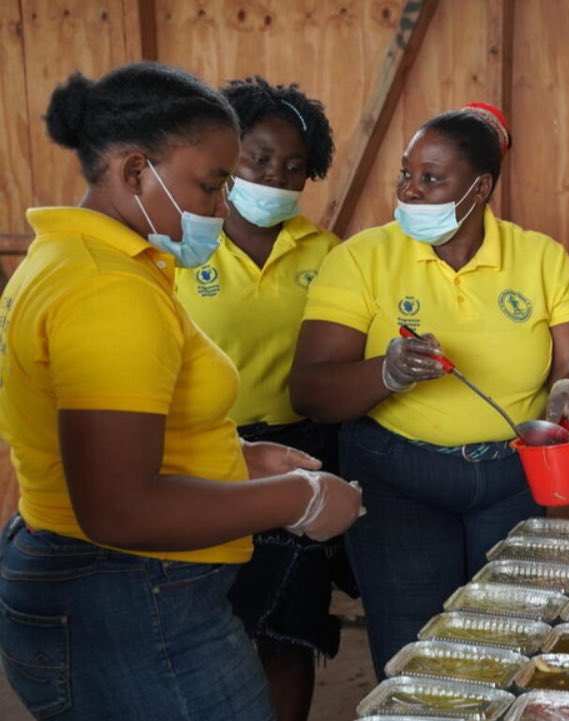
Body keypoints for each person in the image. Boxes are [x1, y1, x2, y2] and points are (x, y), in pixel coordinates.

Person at [0, 62, 361, 721]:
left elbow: (125, 437)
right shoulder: (107, 290)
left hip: (111, 579)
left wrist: (242, 460)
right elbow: (120, 506)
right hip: (127, 587)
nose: (222, 206)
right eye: (212, 183)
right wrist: (296, 499)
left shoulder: (80, 260)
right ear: (136, 172)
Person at [289, 103, 569, 670]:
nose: (410, 192)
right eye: (406, 175)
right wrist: (386, 372)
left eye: (431, 180)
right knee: (416, 654)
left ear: (480, 188)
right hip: (396, 479)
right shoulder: (363, 258)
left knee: (507, 647)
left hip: (513, 478)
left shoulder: (538, 258)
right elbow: (310, 392)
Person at [173, 76, 350, 721]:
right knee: (205, 623)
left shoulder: (328, 253)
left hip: (300, 454)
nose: (275, 176)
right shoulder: (181, 244)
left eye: (293, 167)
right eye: (259, 159)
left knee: (288, 626)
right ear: (227, 157)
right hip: (201, 458)